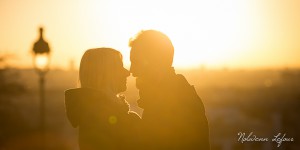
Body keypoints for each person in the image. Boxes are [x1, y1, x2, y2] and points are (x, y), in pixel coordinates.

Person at [129, 30, 210, 149]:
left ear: (155, 62)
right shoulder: (163, 96)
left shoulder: (174, 103)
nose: (132, 70)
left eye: (136, 62)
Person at [65, 48, 140, 150]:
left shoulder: (91, 115)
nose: (127, 73)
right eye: (120, 67)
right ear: (104, 74)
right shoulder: (100, 120)